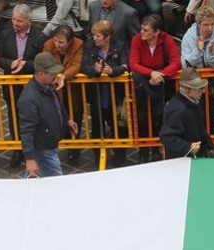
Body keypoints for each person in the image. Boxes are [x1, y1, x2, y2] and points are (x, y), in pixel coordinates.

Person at [0, 4, 45, 168]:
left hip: (32, 84)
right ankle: (18, 149)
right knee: (14, 116)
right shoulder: (5, 34)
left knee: (33, 117)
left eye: (19, 20)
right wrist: (11, 63)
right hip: (12, 84)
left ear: (28, 21)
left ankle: (33, 150)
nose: (15, 23)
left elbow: (41, 61)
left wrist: (25, 64)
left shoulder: (38, 36)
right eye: (14, 19)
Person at [130, 14, 181, 163]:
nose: (142, 32)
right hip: (143, 86)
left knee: (159, 117)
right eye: (142, 29)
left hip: (161, 85)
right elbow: (133, 63)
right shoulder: (137, 40)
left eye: (146, 30)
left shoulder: (167, 40)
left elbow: (176, 61)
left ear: (156, 32)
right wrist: (151, 73)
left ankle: (157, 149)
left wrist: (161, 75)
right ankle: (143, 151)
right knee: (142, 118)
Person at [18, 52, 78, 177]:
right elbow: (26, 130)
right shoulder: (29, 99)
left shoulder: (47, 86)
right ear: (41, 74)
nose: (56, 76)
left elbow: (57, 105)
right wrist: (29, 159)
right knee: (56, 182)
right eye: (52, 73)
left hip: (47, 145)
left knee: (38, 178)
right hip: (43, 149)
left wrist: (67, 120)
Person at [81, 20, 130, 166]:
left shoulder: (119, 45)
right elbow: (83, 67)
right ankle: (98, 156)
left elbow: (126, 65)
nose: (94, 38)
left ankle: (119, 155)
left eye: (98, 36)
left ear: (107, 37)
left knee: (118, 126)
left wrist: (113, 71)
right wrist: (94, 71)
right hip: (97, 94)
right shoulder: (89, 46)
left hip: (115, 94)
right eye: (94, 35)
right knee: (97, 126)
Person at [42, 25, 85, 165]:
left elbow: (76, 65)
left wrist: (63, 76)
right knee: (56, 117)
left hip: (72, 89)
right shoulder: (48, 45)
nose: (57, 45)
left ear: (70, 41)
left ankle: (74, 149)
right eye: (56, 41)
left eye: (61, 42)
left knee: (75, 115)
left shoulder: (78, 45)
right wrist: (55, 76)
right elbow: (45, 64)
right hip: (55, 90)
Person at [180, 7, 214, 135]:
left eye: (212, 24)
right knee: (193, 117)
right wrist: (198, 51)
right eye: (206, 24)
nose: (210, 28)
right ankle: (196, 146)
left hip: (212, 84)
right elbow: (185, 64)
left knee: (211, 116)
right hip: (194, 83)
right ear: (199, 24)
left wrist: (211, 53)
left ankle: (208, 144)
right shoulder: (189, 36)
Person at [160, 68, 214, 159]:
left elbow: (200, 126)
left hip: (195, 156)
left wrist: (209, 144)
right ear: (187, 90)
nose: (203, 91)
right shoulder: (177, 110)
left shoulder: (194, 101)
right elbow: (166, 137)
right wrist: (188, 147)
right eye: (199, 88)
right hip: (181, 162)